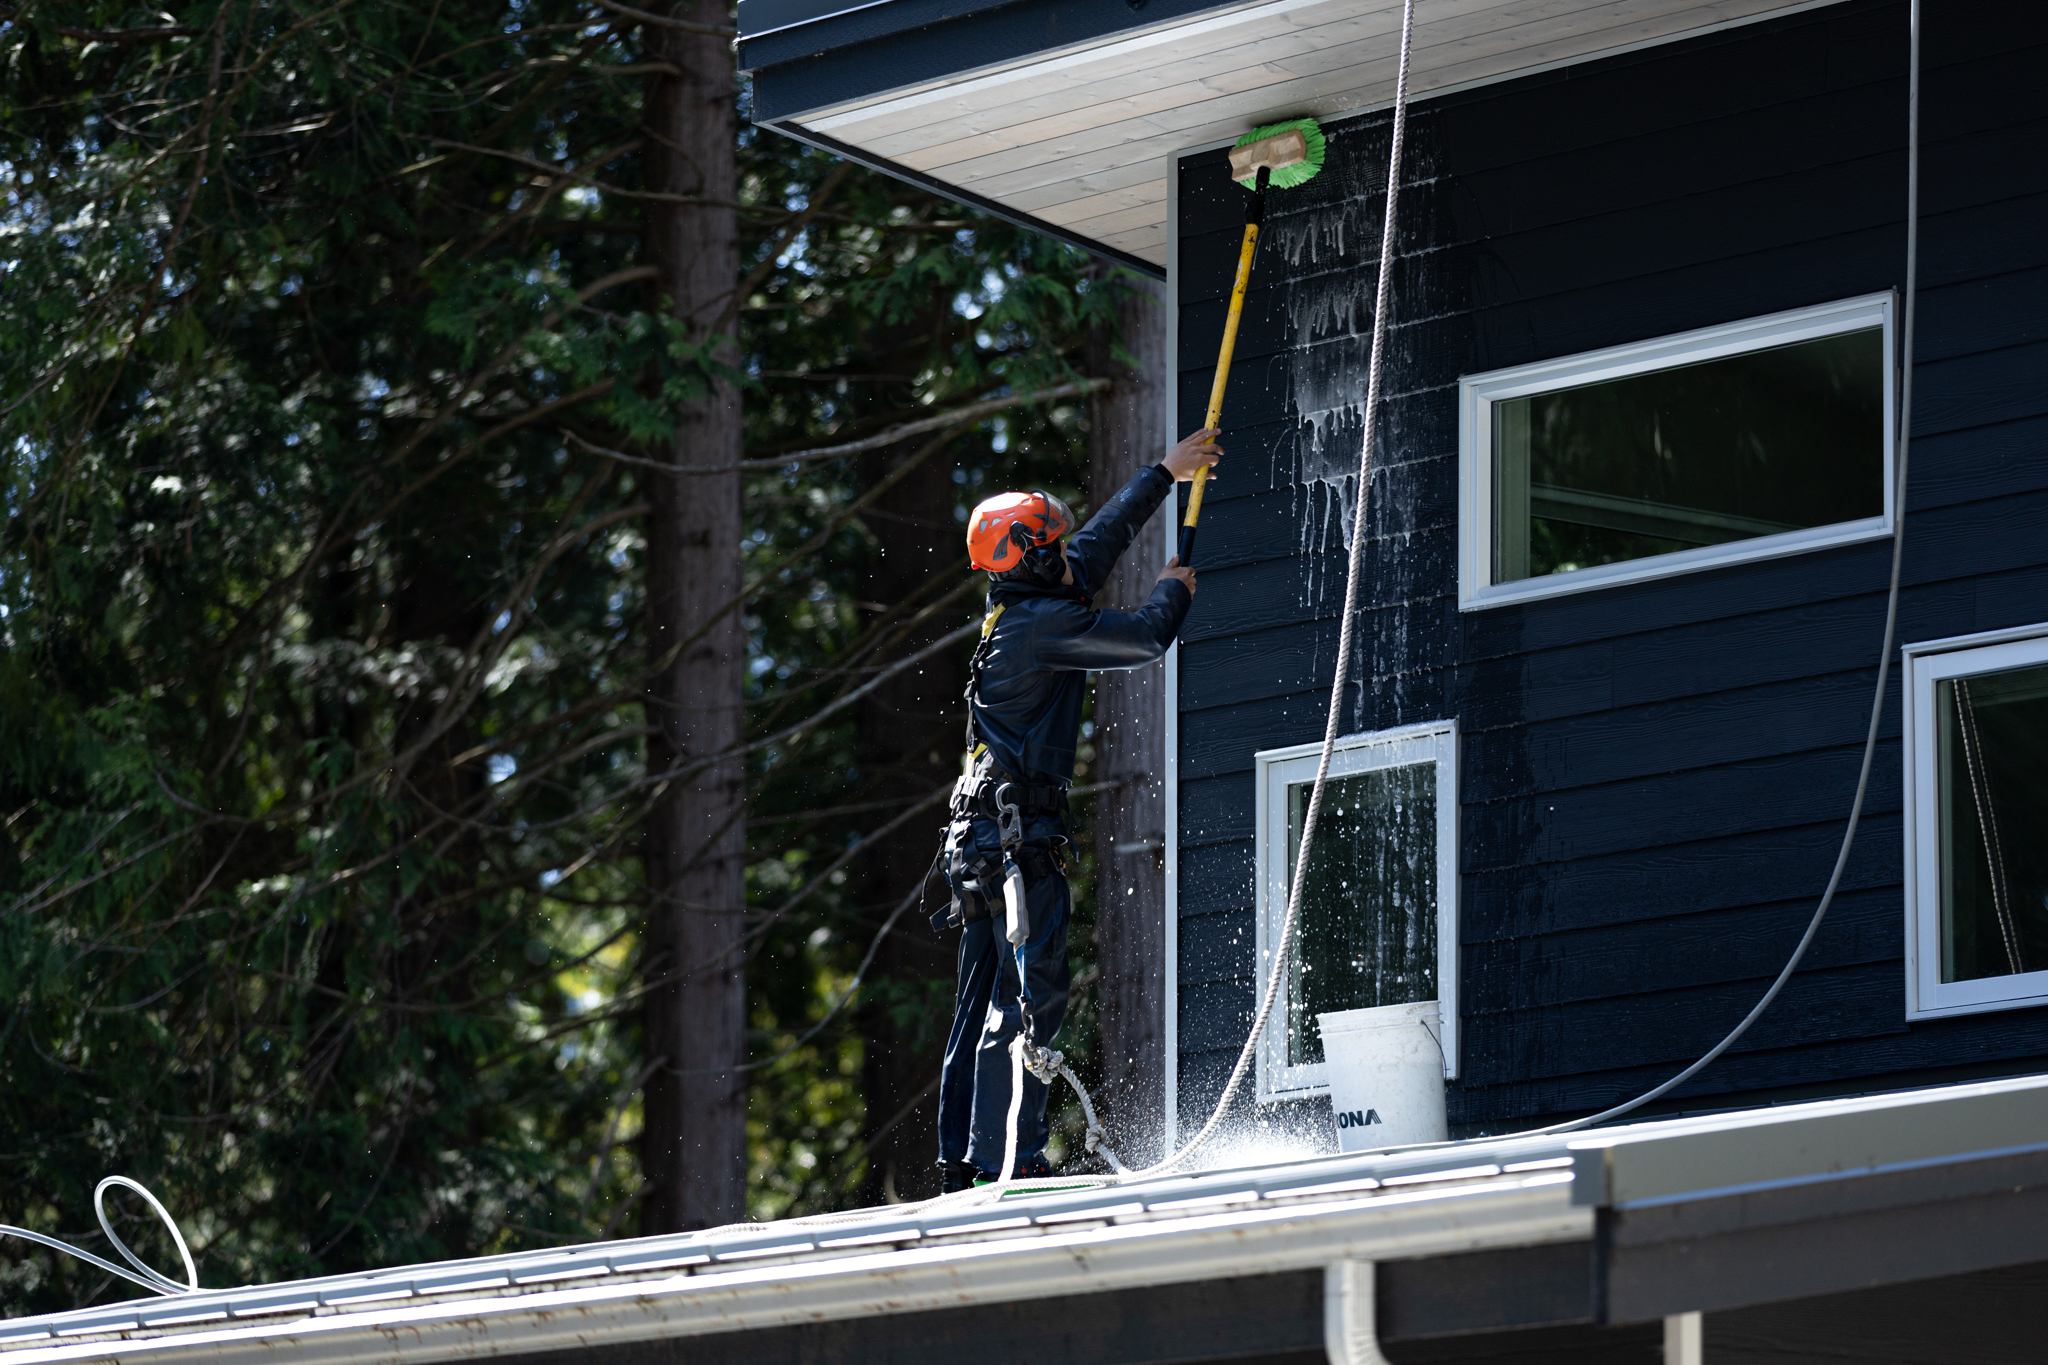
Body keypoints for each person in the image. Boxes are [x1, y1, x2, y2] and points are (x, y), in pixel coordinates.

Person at [931, 428, 1222, 1192]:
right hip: (1013, 842)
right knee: (1028, 999)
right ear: (1029, 555)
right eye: (1052, 543)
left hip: (983, 838)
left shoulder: (1029, 602)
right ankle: (1013, 1161)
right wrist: (1173, 591)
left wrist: (1166, 471)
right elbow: (1147, 635)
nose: (1068, 550)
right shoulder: (1042, 628)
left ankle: (964, 1160)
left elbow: (1097, 544)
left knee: (980, 1006)